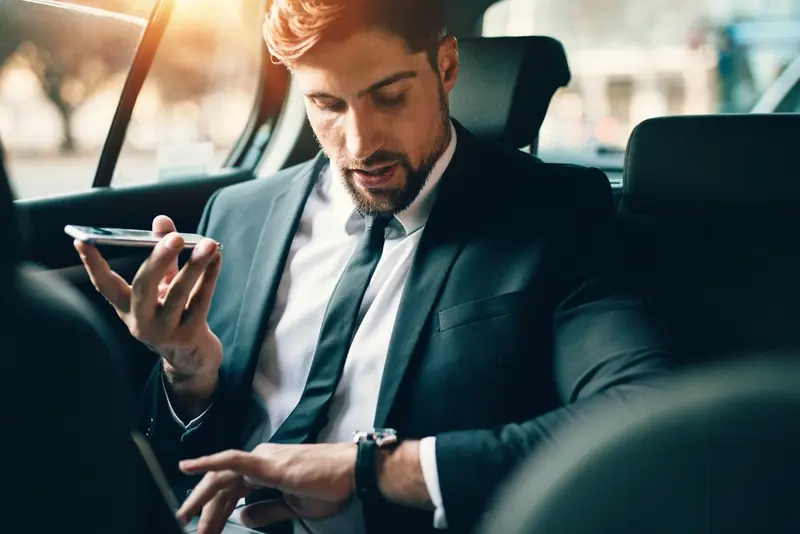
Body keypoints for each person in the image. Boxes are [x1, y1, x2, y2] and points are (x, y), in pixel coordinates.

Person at [75, 0, 669, 533]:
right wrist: (188, 372)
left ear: (446, 67)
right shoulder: (237, 214)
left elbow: (641, 412)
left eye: (389, 95)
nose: (360, 144)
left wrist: (376, 469)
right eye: (327, 103)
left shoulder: (556, 213)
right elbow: (164, 458)